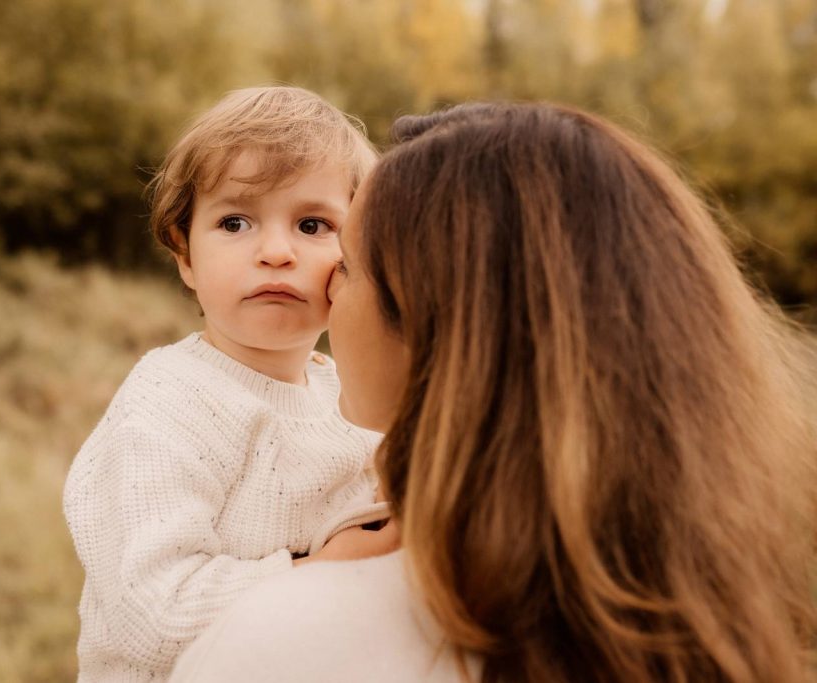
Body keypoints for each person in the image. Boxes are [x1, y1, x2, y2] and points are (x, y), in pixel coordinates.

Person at [169, 102, 817, 682]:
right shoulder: (745, 617)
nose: (327, 287)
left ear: (436, 327)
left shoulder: (288, 645)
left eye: (350, 264)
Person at [62, 86, 395, 683]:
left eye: (313, 224)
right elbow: (153, 616)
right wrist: (318, 571)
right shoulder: (171, 403)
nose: (274, 252)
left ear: (353, 258)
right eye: (235, 222)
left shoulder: (354, 396)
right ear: (185, 254)